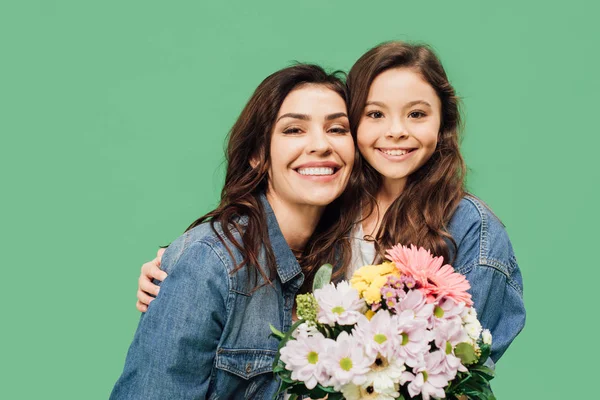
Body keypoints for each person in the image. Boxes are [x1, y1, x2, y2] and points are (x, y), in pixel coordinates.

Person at [136, 42, 525, 364]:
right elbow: (247, 264)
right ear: (356, 125)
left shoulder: (470, 227)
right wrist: (182, 267)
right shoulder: (332, 207)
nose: (396, 131)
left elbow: (463, 370)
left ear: (443, 124)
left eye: (418, 114)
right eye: (375, 114)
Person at [110, 64, 357, 399]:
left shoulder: (353, 261)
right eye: (294, 130)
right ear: (257, 154)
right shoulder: (209, 262)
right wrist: (185, 262)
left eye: (338, 129)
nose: (320, 145)